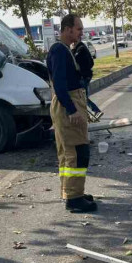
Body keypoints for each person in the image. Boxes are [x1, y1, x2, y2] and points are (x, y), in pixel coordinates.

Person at [46, 14, 96, 213]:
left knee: (69, 153)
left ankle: (72, 192)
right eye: (79, 29)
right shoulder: (59, 50)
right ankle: (74, 199)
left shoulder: (66, 50)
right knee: (76, 152)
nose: (81, 33)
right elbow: (59, 84)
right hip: (69, 104)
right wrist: (72, 110)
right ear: (67, 29)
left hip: (71, 101)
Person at [71, 38, 103, 121]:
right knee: (83, 96)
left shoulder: (80, 49)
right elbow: (92, 62)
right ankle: (89, 114)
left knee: (83, 97)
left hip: (83, 76)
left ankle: (95, 111)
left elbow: (74, 60)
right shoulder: (83, 47)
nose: (72, 44)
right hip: (87, 75)